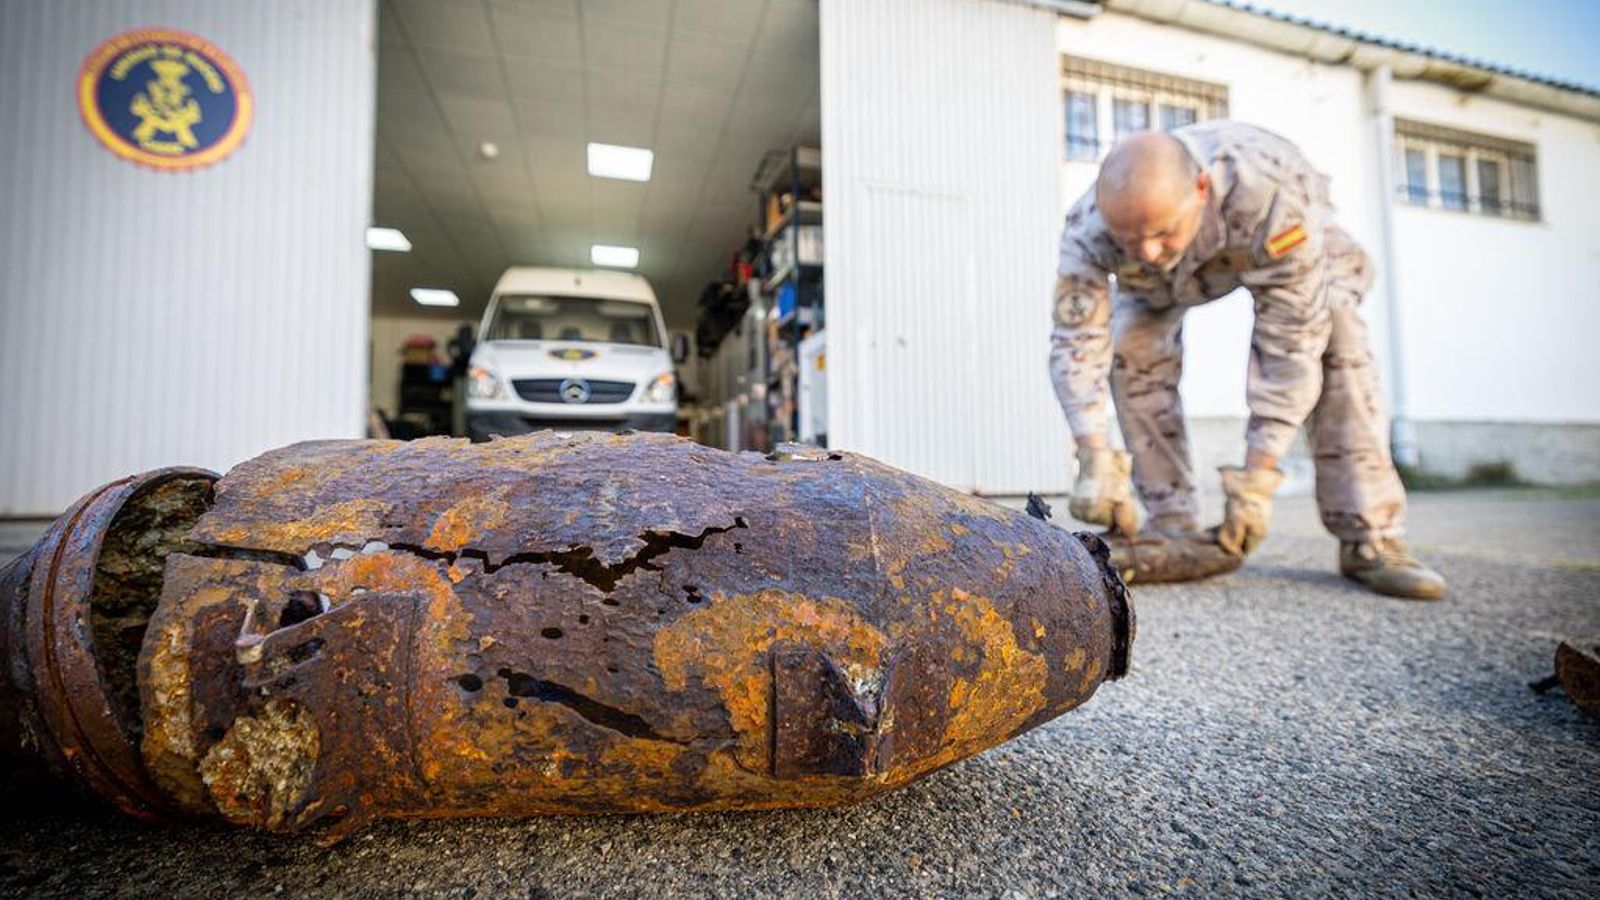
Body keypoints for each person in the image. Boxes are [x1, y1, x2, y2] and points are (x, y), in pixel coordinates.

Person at [1050, 121, 1446, 600]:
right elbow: (1077, 344)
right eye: (1130, 240)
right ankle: (1171, 523)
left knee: (1338, 337)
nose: (1147, 253)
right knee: (1132, 346)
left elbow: (1290, 346)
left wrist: (1258, 480)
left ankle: (1370, 537)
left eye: (1159, 233)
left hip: (1284, 248)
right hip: (1168, 286)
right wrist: (1095, 459)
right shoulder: (1089, 227)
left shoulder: (1273, 192)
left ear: (1199, 190)